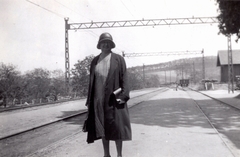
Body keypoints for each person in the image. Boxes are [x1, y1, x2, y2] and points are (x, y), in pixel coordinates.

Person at [85, 32, 132, 157]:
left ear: (111, 45)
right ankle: (106, 154)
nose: (105, 45)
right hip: (98, 100)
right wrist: (89, 100)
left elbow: (125, 79)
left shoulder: (118, 59)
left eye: (108, 43)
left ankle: (119, 155)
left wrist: (123, 96)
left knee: (117, 128)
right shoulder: (95, 61)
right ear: (99, 45)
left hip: (114, 100)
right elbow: (91, 82)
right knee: (102, 128)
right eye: (103, 43)